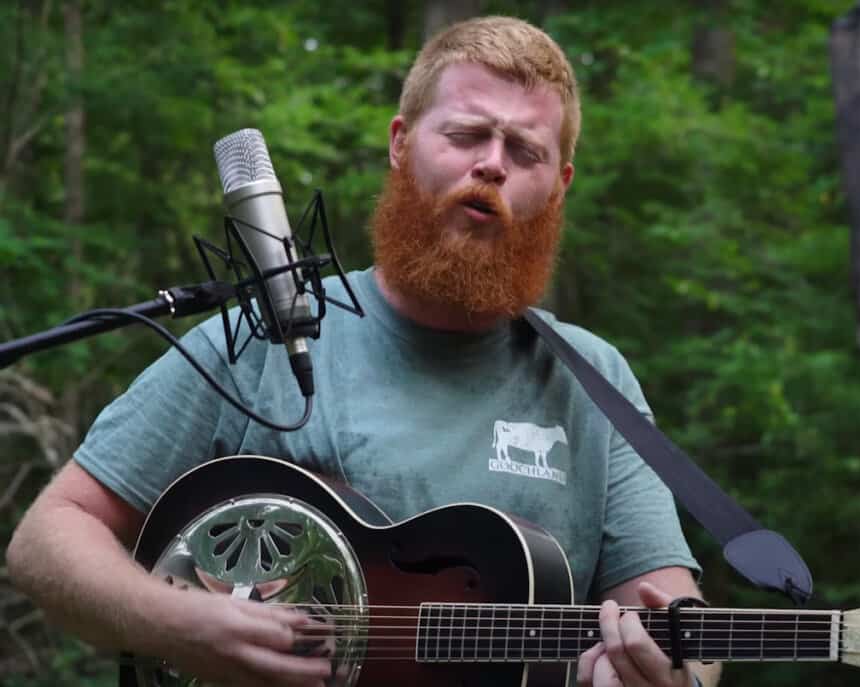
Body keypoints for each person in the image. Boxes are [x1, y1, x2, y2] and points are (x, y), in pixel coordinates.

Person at [7, 15, 720, 687]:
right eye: (467, 134)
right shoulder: (263, 334)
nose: (492, 165)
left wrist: (670, 671)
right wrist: (179, 621)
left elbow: (678, 623)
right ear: (401, 143)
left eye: (526, 151)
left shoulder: (595, 381)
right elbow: (47, 537)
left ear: (559, 187)